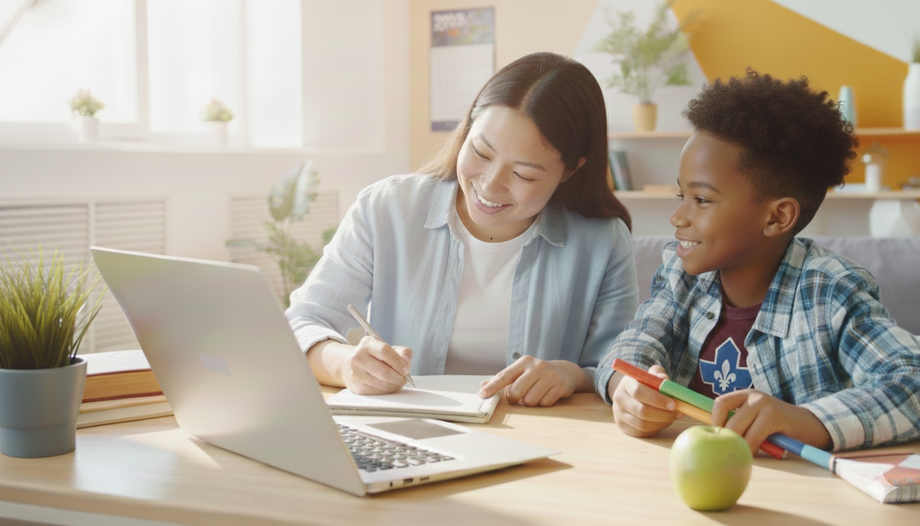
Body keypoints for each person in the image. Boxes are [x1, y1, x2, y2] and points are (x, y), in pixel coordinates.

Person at [287, 52, 639, 407]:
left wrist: (571, 374)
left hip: (547, 438)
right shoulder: (387, 209)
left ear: (570, 170)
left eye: (523, 174)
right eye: (481, 153)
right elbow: (301, 322)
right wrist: (345, 363)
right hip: (410, 431)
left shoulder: (602, 241)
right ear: (467, 129)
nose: (490, 185)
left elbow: (621, 364)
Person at [597, 70, 920, 453]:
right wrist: (627, 389)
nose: (677, 217)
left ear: (777, 217)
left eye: (701, 200)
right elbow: (632, 346)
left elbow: (911, 381)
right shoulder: (680, 276)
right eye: (680, 195)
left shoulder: (831, 292)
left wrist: (807, 421)